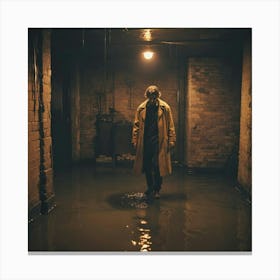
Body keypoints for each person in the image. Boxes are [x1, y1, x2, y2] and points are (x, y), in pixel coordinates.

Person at [132, 85, 176, 198]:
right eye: (150, 96)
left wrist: (171, 140)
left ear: (157, 95)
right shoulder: (141, 108)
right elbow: (136, 125)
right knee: (147, 165)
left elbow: (170, 125)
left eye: (154, 96)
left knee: (158, 165)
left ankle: (157, 189)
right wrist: (135, 140)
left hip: (159, 141)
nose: (152, 99)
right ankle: (150, 187)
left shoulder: (165, 108)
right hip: (145, 141)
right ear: (147, 96)